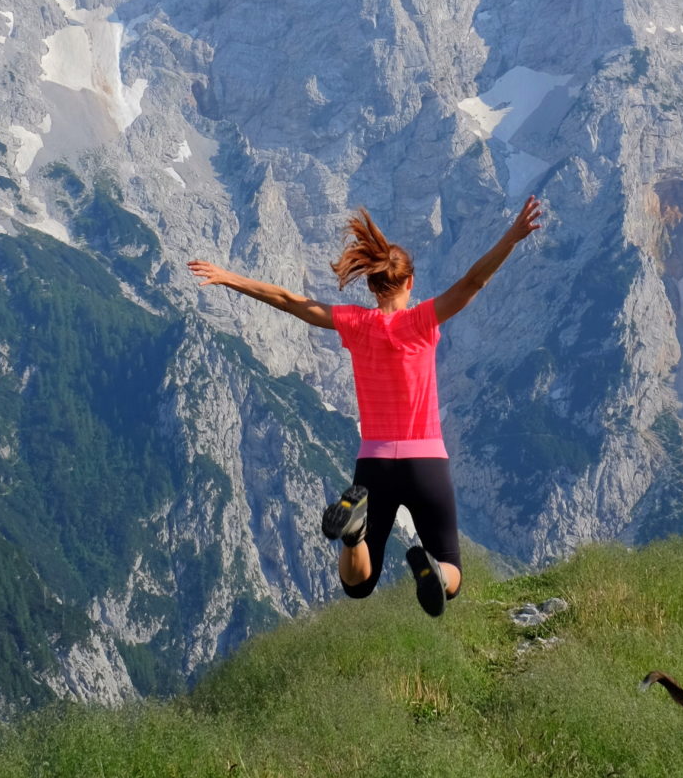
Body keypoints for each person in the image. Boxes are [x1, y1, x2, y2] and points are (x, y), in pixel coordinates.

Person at [187, 195, 542, 616]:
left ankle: (353, 536)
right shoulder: (422, 321)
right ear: (409, 283)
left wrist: (229, 277)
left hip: (373, 465)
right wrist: (512, 237)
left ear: (372, 286)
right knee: (452, 571)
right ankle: (434, 571)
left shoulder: (355, 323)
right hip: (426, 459)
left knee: (357, 585)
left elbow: (289, 301)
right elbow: (472, 282)